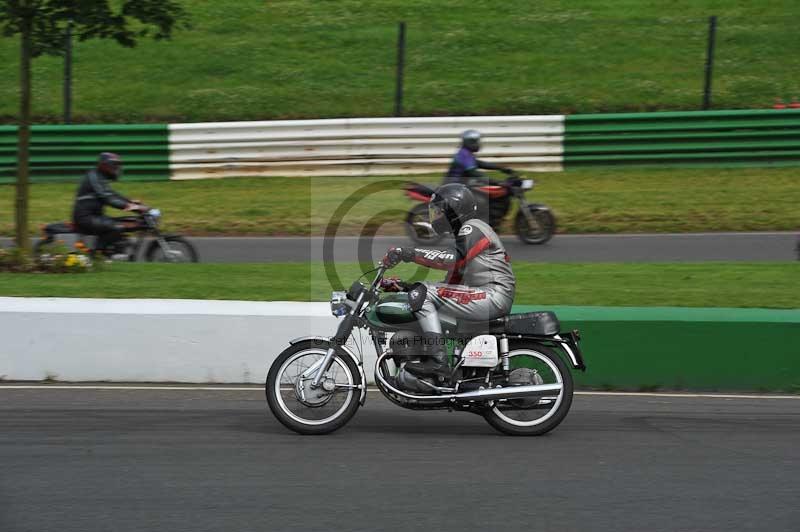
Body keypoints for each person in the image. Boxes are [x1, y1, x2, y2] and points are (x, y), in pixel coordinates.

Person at [382, 183, 516, 378]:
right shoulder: (466, 233)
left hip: (494, 295)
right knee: (423, 292)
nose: (434, 216)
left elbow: (454, 259)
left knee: (424, 292)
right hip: (486, 295)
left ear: (453, 211)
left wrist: (409, 253)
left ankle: (438, 361)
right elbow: (451, 283)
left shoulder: (474, 228)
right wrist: (405, 287)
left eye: (438, 211)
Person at [72, 152, 145, 255]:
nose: (116, 168)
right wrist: (132, 207)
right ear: (104, 165)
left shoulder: (99, 178)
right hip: (85, 218)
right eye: (114, 165)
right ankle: (97, 256)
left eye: (117, 165)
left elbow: (112, 194)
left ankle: (115, 250)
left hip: (96, 216)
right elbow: (107, 198)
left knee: (131, 221)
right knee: (117, 227)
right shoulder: (93, 177)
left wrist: (131, 202)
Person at [444, 129, 516, 186]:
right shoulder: (464, 155)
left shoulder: (465, 153)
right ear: (470, 142)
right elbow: (475, 174)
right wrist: (498, 182)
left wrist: (501, 168)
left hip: (460, 185)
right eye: (476, 142)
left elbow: (481, 164)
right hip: (455, 189)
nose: (479, 144)